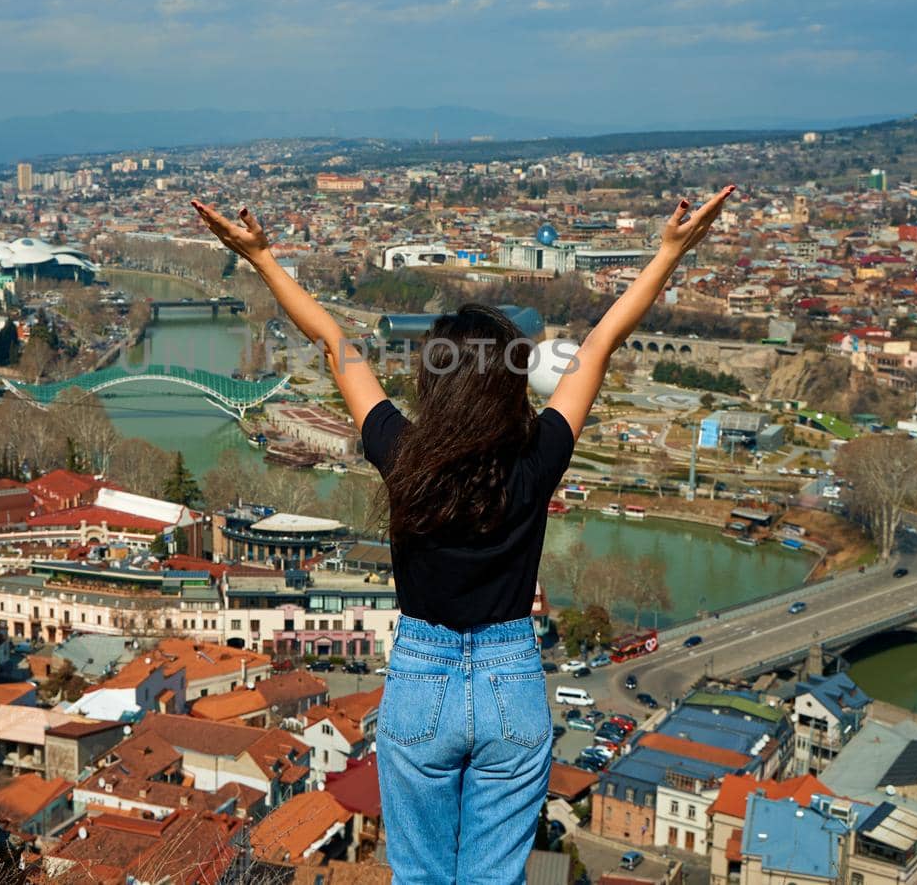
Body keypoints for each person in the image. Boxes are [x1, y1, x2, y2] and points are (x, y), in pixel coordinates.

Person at [192, 186, 734, 884]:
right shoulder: (536, 459)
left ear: (434, 384)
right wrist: (667, 253)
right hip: (512, 681)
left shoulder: (400, 451)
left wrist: (262, 258)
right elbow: (600, 345)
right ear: (511, 390)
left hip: (422, 677)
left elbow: (335, 343)